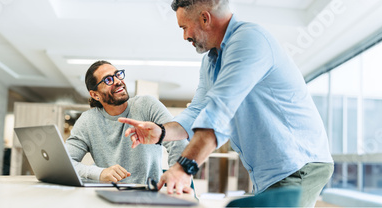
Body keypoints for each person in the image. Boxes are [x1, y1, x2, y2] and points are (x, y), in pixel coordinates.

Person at [118, 0, 334, 206]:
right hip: (271, 172)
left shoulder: (249, 40)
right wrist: (162, 132)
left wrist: (183, 169)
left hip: (299, 164)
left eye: (184, 27)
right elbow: (197, 111)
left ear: (205, 18)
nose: (185, 36)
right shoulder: (211, 61)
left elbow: (218, 111)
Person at [65, 60, 188, 184]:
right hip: (109, 194)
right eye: (108, 80)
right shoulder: (87, 121)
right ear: (95, 95)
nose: (118, 81)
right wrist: (99, 173)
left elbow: (178, 141)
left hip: (148, 194)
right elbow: (65, 163)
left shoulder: (147, 105)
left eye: (117, 75)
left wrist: (177, 176)